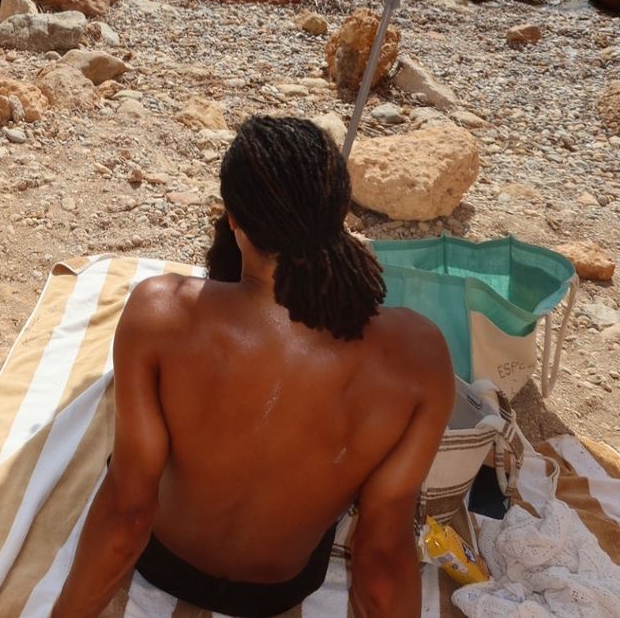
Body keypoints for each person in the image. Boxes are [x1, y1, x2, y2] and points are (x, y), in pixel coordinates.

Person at [51, 116, 454, 618]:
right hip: (279, 589)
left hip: (164, 561)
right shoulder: (420, 359)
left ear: (233, 220)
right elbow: (380, 555)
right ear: (340, 214)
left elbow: (128, 513)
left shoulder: (160, 315)